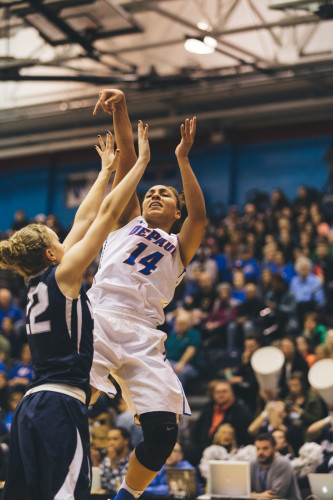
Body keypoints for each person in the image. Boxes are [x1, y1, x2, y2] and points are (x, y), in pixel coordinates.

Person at [0, 123, 151, 499]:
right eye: (57, 238)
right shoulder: (64, 274)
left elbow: (83, 219)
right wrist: (139, 165)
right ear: (51, 253)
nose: (66, 236)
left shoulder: (40, 280)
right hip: (60, 404)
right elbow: (103, 218)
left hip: (31, 406)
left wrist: (103, 173)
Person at [89, 89, 206, 500]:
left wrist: (183, 159)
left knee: (163, 430)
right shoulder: (128, 220)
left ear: (176, 213)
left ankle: (126, 496)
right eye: (151, 192)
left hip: (144, 335)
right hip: (101, 316)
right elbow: (125, 162)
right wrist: (120, 108)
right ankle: (49, 481)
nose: (155, 195)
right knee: (69, 400)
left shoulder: (180, 245)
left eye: (165, 195)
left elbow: (201, 215)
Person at [250, 433, 302, 500]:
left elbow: (275, 495)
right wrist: (258, 495)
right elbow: (242, 492)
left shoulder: (282, 463)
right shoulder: (253, 463)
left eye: (265, 448)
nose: (260, 452)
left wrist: (251, 495)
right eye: (258, 449)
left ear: (275, 449)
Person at [100, 427, 132, 497]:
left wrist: (113, 464)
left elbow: (122, 488)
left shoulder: (133, 460)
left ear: (126, 440)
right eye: (109, 439)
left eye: (115, 439)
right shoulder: (106, 460)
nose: (111, 443)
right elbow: (103, 484)